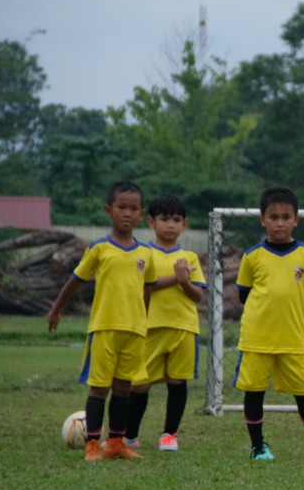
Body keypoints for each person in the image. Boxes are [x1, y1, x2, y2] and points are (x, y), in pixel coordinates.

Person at [47, 181, 156, 461]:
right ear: (109, 210)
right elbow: (75, 281)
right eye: (121, 207)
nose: (127, 214)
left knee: (123, 389)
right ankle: (93, 446)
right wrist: (56, 309)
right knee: (100, 388)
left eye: (133, 209)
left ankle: (116, 444)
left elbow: (147, 289)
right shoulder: (99, 248)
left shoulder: (146, 253)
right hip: (104, 329)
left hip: (133, 332)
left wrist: (142, 321)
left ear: (141, 214)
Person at [235, 187, 304, 461]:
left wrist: (293, 304)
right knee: (254, 392)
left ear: (296, 220)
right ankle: (258, 446)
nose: (280, 222)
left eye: (286, 217)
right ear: (262, 219)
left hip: (293, 338)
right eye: (273, 216)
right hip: (257, 338)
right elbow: (244, 294)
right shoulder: (252, 256)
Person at [123, 194, 205, 452]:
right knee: (140, 383)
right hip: (149, 328)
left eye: (176, 220)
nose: (170, 225)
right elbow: (146, 286)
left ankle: (169, 435)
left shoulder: (189, 257)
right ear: (150, 222)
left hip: (183, 328)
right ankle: (130, 436)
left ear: (185, 224)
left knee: (177, 382)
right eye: (164, 219)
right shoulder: (144, 254)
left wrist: (185, 282)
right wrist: (177, 278)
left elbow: (198, 295)